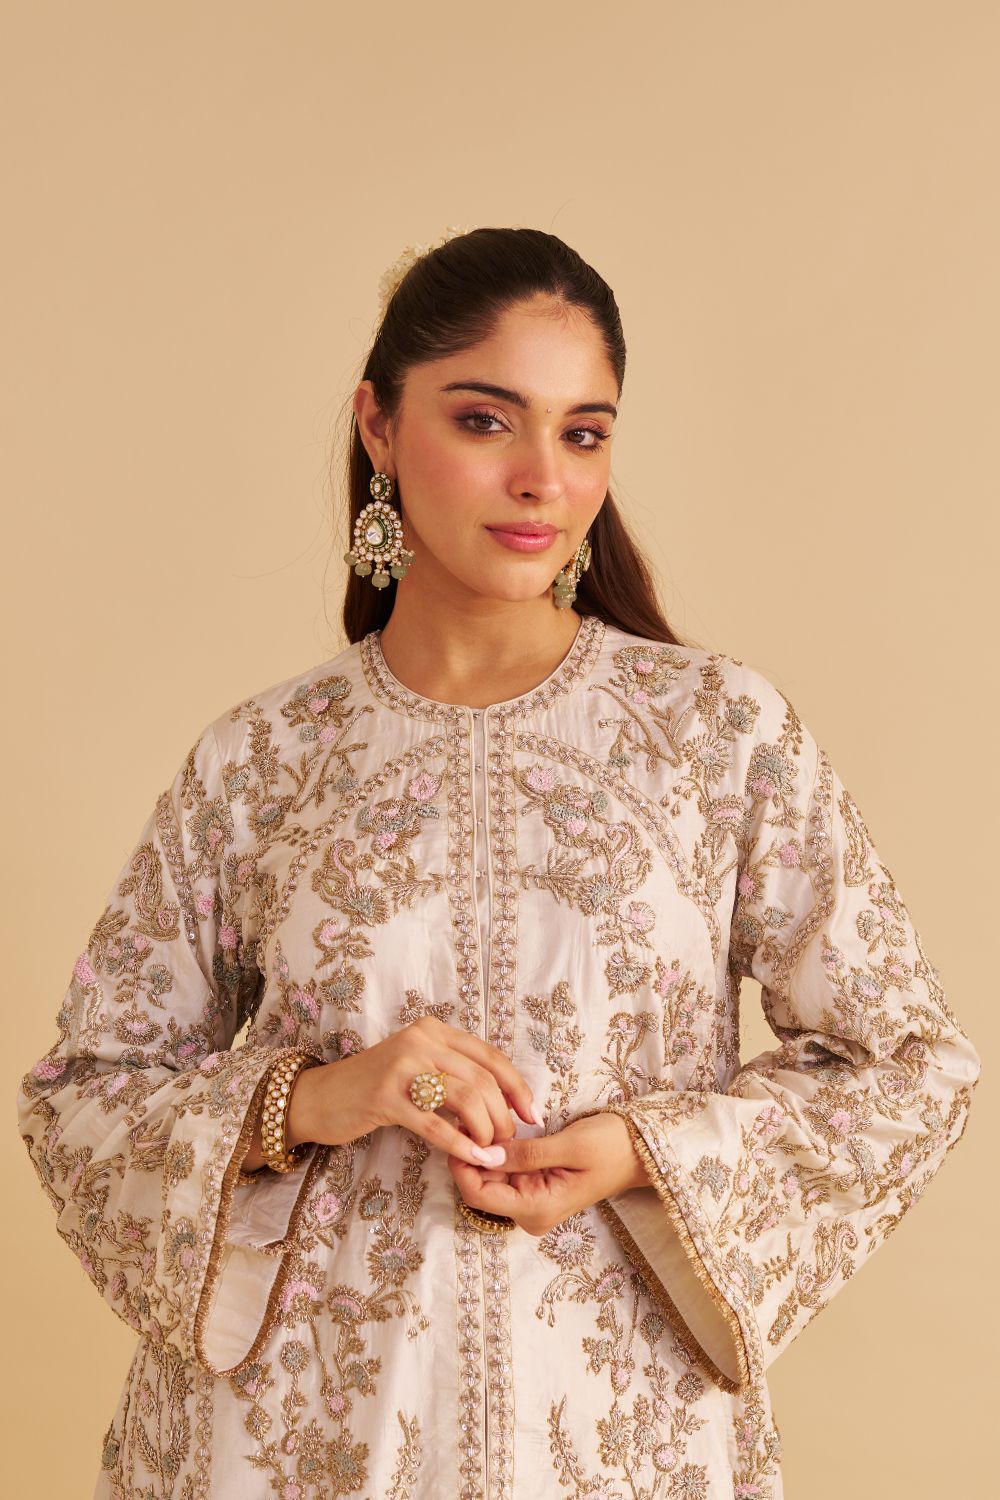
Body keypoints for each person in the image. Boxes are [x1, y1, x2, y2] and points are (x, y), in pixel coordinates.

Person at [17, 225, 980, 1500]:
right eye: (485, 421)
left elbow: (905, 1066)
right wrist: (313, 1098)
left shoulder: (717, 733)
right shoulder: (262, 758)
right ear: (378, 425)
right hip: (293, 1443)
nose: (540, 478)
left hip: (612, 1431)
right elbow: (84, 1096)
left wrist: (642, 1151)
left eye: (583, 434)